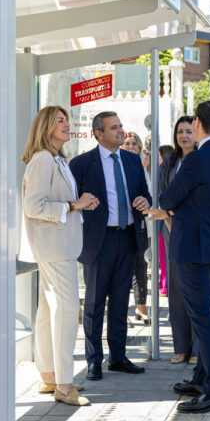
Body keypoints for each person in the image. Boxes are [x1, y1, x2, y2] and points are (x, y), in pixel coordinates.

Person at [146, 101, 210, 414]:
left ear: (197, 123)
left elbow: (168, 197)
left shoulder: (197, 158)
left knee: (203, 320)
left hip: (192, 248)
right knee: (205, 315)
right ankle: (201, 378)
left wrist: (170, 209)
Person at [21, 106, 100, 406]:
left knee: (47, 311)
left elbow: (59, 203)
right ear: (46, 127)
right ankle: (65, 386)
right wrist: (73, 205)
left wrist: (79, 204)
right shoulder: (43, 159)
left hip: (58, 246)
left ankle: (50, 376)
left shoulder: (56, 159)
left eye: (67, 120)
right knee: (66, 312)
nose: (67, 124)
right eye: (60, 121)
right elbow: (33, 206)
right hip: (55, 248)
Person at [69, 111, 151, 381]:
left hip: (127, 238)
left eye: (121, 126)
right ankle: (94, 360)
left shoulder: (132, 159)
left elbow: (144, 193)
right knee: (94, 303)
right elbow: (71, 201)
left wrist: (145, 201)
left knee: (120, 301)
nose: (121, 131)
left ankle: (118, 357)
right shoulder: (82, 164)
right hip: (98, 241)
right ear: (98, 133)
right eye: (114, 127)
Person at [158, 116, 199, 364]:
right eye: (180, 131)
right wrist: (170, 224)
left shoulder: (202, 159)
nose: (184, 136)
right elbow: (163, 195)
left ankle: (197, 350)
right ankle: (181, 348)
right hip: (171, 230)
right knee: (176, 292)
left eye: (189, 131)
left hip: (196, 232)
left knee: (196, 291)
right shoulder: (170, 162)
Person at [122, 132, 150, 326]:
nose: (131, 146)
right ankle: (122, 311)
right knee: (122, 270)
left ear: (140, 147)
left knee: (141, 267)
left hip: (142, 224)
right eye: (127, 143)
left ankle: (141, 308)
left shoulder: (144, 167)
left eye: (134, 143)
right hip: (124, 224)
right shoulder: (119, 165)